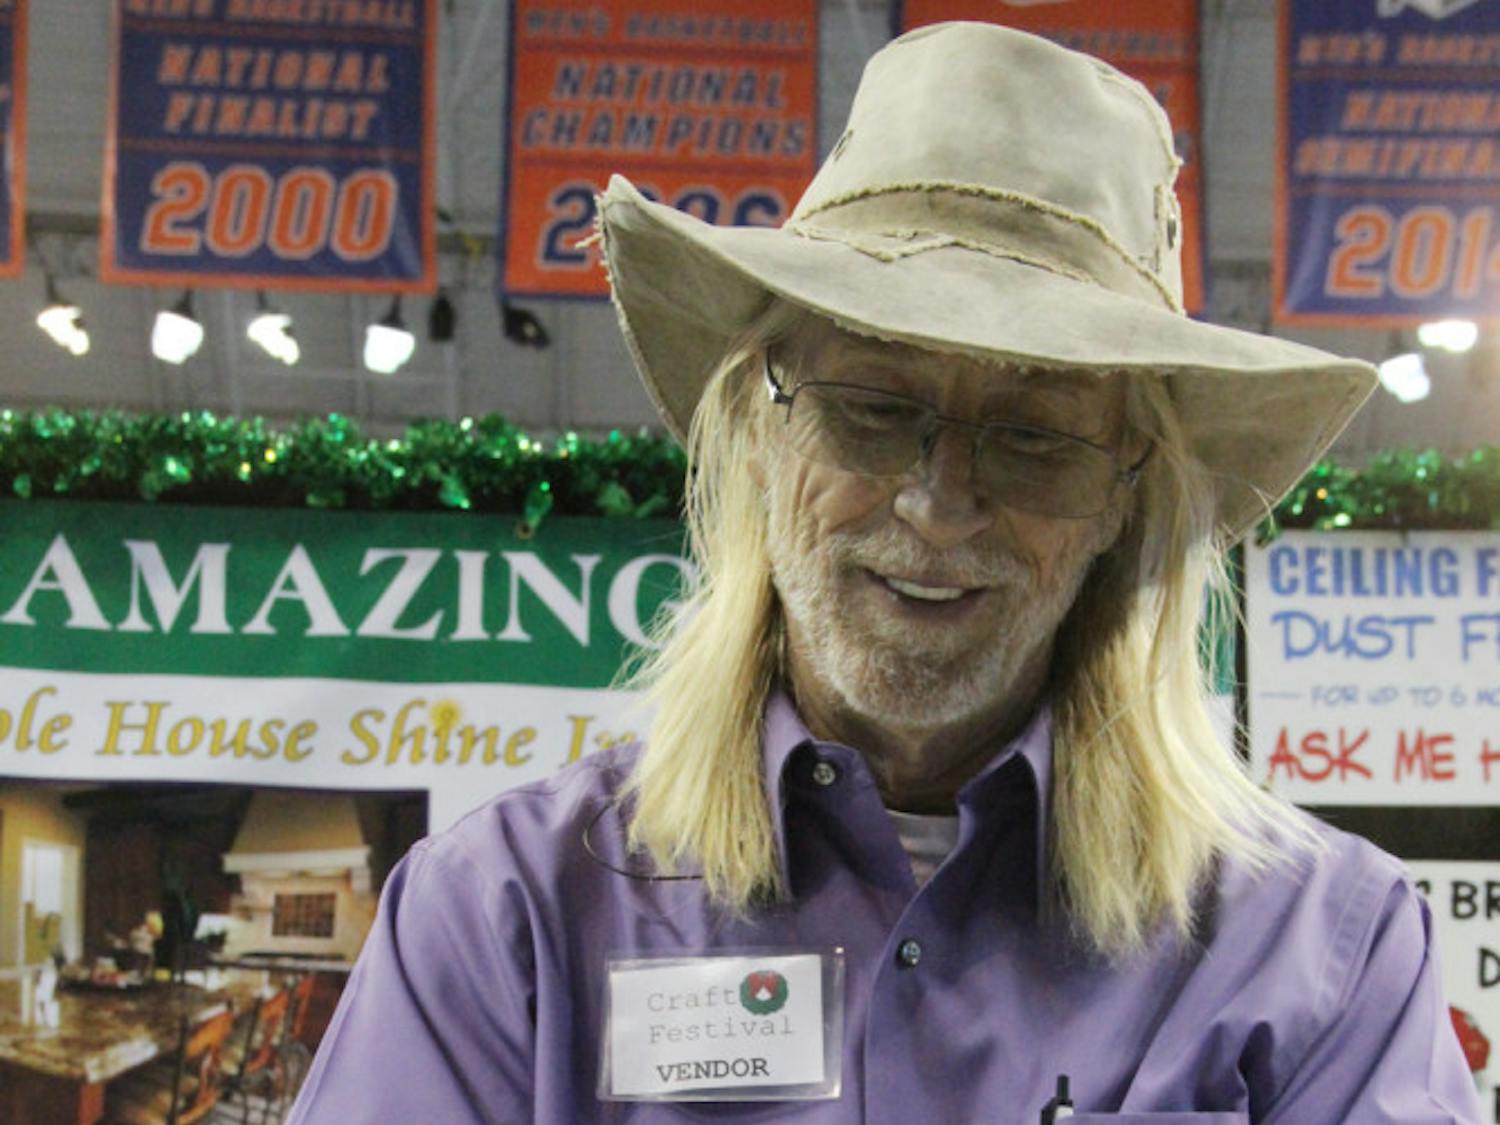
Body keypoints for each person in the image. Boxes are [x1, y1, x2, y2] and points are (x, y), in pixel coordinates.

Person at [288, 23, 1482, 1123]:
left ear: (1127, 491)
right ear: (761, 432)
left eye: (1036, 433)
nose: (937, 502)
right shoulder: (509, 919)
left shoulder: (1325, 950)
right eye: (871, 407)